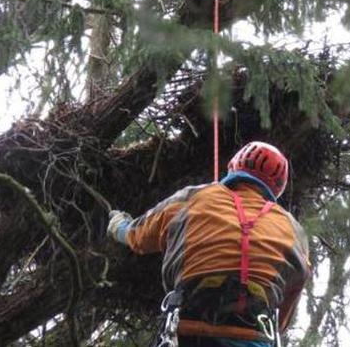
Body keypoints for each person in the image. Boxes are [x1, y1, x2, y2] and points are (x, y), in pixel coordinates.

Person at [107, 141, 311, 347]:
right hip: (252, 333)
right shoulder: (292, 228)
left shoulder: (195, 197)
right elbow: (295, 285)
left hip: (189, 326)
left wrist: (118, 225)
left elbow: (139, 236)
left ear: (235, 166)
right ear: (277, 187)